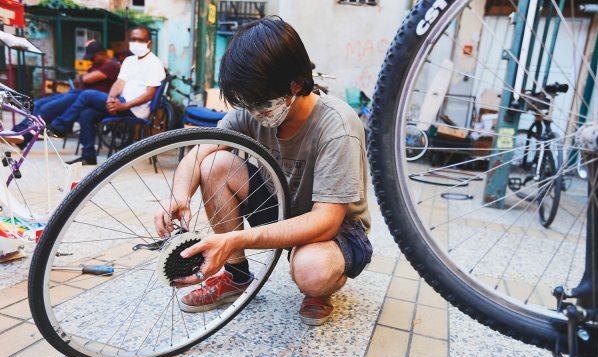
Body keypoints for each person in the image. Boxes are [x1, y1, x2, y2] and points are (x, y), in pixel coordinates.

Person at [154, 16, 372, 326]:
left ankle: (321, 287)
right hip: (281, 205)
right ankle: (236, 277)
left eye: (261, 103)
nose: (255, 113)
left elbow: (326, 220)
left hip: (336, 228)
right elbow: (200, 152)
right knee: (215, 164)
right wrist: (178, 195)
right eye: (247, 103)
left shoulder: (337, 126)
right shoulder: (252, 111)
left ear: (296, 83)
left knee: (312, 270)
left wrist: (234, 240)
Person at [50, 26, 165, 165]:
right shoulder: (129, 61)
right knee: (86, 114)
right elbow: (119, 83)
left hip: (135, 109)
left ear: (149, 43)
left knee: (87, 95)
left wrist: (124, 105)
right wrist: (111, 99)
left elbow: (149, 94)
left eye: (140, 40)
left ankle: (60, 126)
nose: (136, 43)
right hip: (120, 102)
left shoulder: (154, 63)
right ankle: (89, 156)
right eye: (133, 39)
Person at [12, 40, 119, 149]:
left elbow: (86, 78)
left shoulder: (111, 65)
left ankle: (22, 138)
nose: (90, 60)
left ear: (101, 54)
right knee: (37, 104)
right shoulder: (96, 66)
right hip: (75, 93)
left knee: (46, 110)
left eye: (92, 57)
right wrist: (82, 77)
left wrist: (82, 77)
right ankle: (15, 132)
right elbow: (78, 80)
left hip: (82, 97)